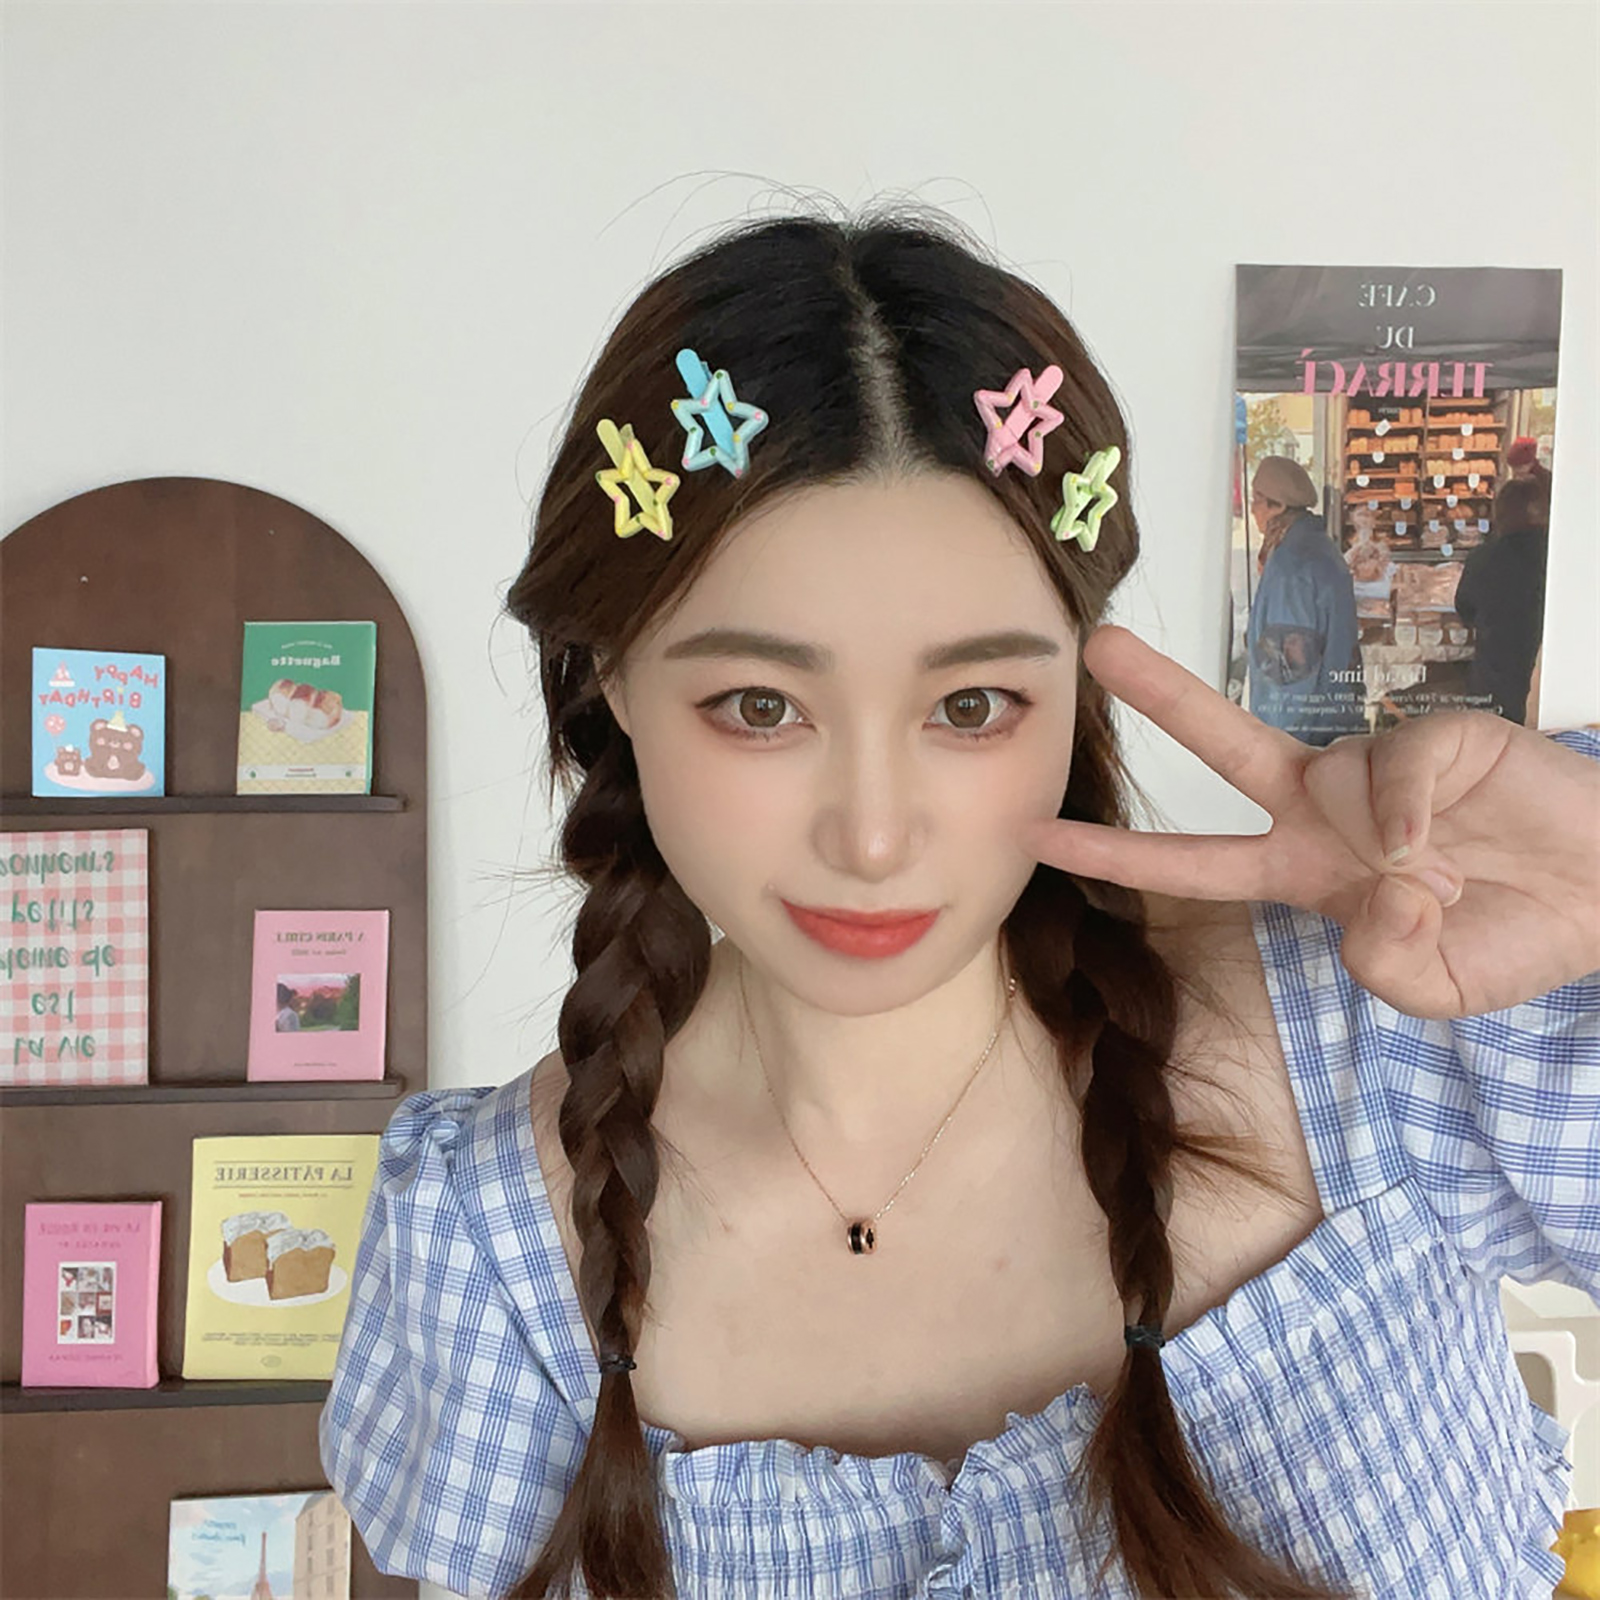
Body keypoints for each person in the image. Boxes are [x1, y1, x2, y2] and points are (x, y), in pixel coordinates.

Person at [319, 212, 1600, 1600]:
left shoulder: (1388, 1022)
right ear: (614, 678)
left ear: (1074, 680)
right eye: (761, 706)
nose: (873, 838)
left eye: (972, 705)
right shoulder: (486, 1257)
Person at [1244, 456, 1367, 745]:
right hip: (1330, 723)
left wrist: (1277, 746)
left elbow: (1288, 671)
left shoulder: (1292, 567)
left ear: (1278, 506)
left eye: (1256, 500)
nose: (1251, 509)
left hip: (1304, 737)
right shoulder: (1317, 546)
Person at [1453, 475, 1552, 725]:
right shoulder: (1558, 556)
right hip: (1547, 677)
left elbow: (1465, 609)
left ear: (1502, 515)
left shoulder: (1484, 557)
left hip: (1496, 676)